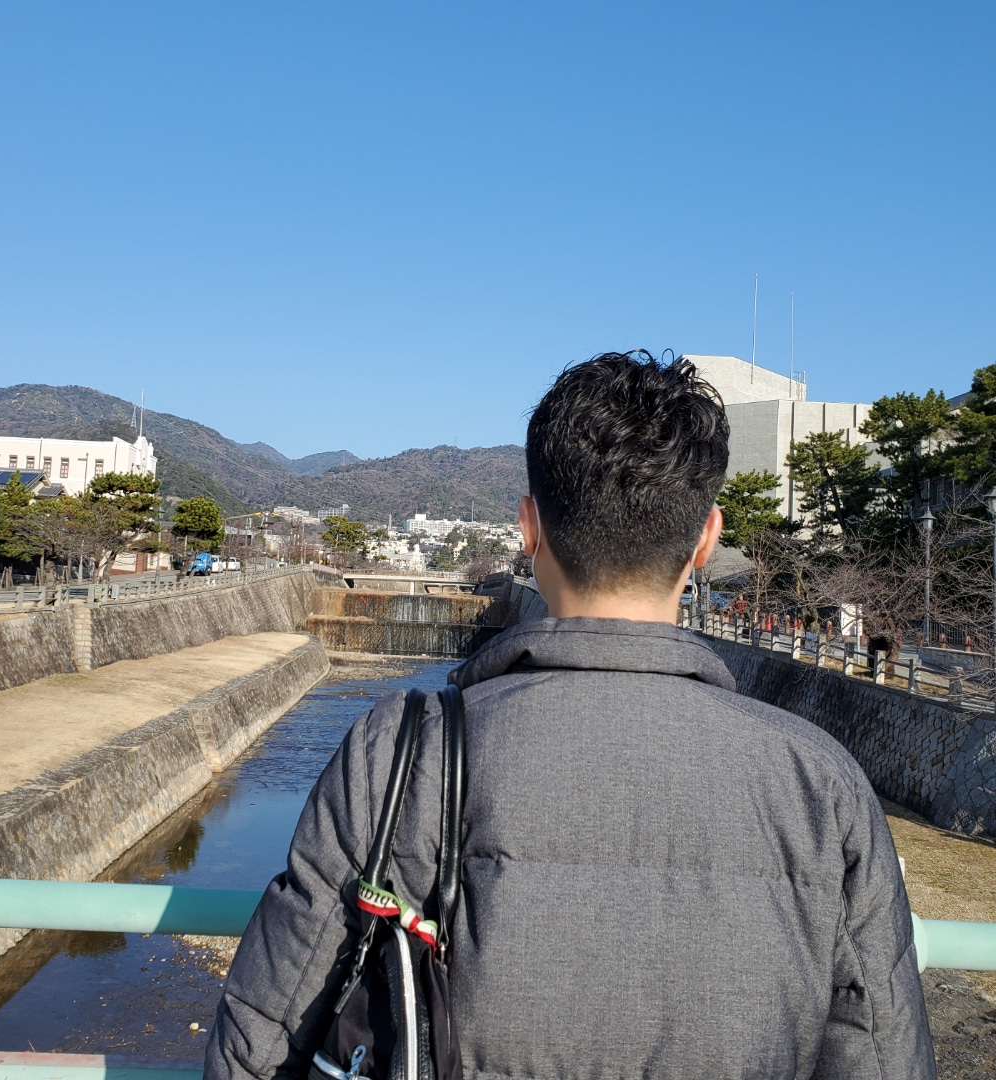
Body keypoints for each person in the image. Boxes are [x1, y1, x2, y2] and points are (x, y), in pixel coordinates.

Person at [206, 351, 935, 1080]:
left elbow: (262, 1038)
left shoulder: (401, 748)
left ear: (529, 529)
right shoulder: (822, 783)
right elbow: (879, 1049)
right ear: (707, 540)